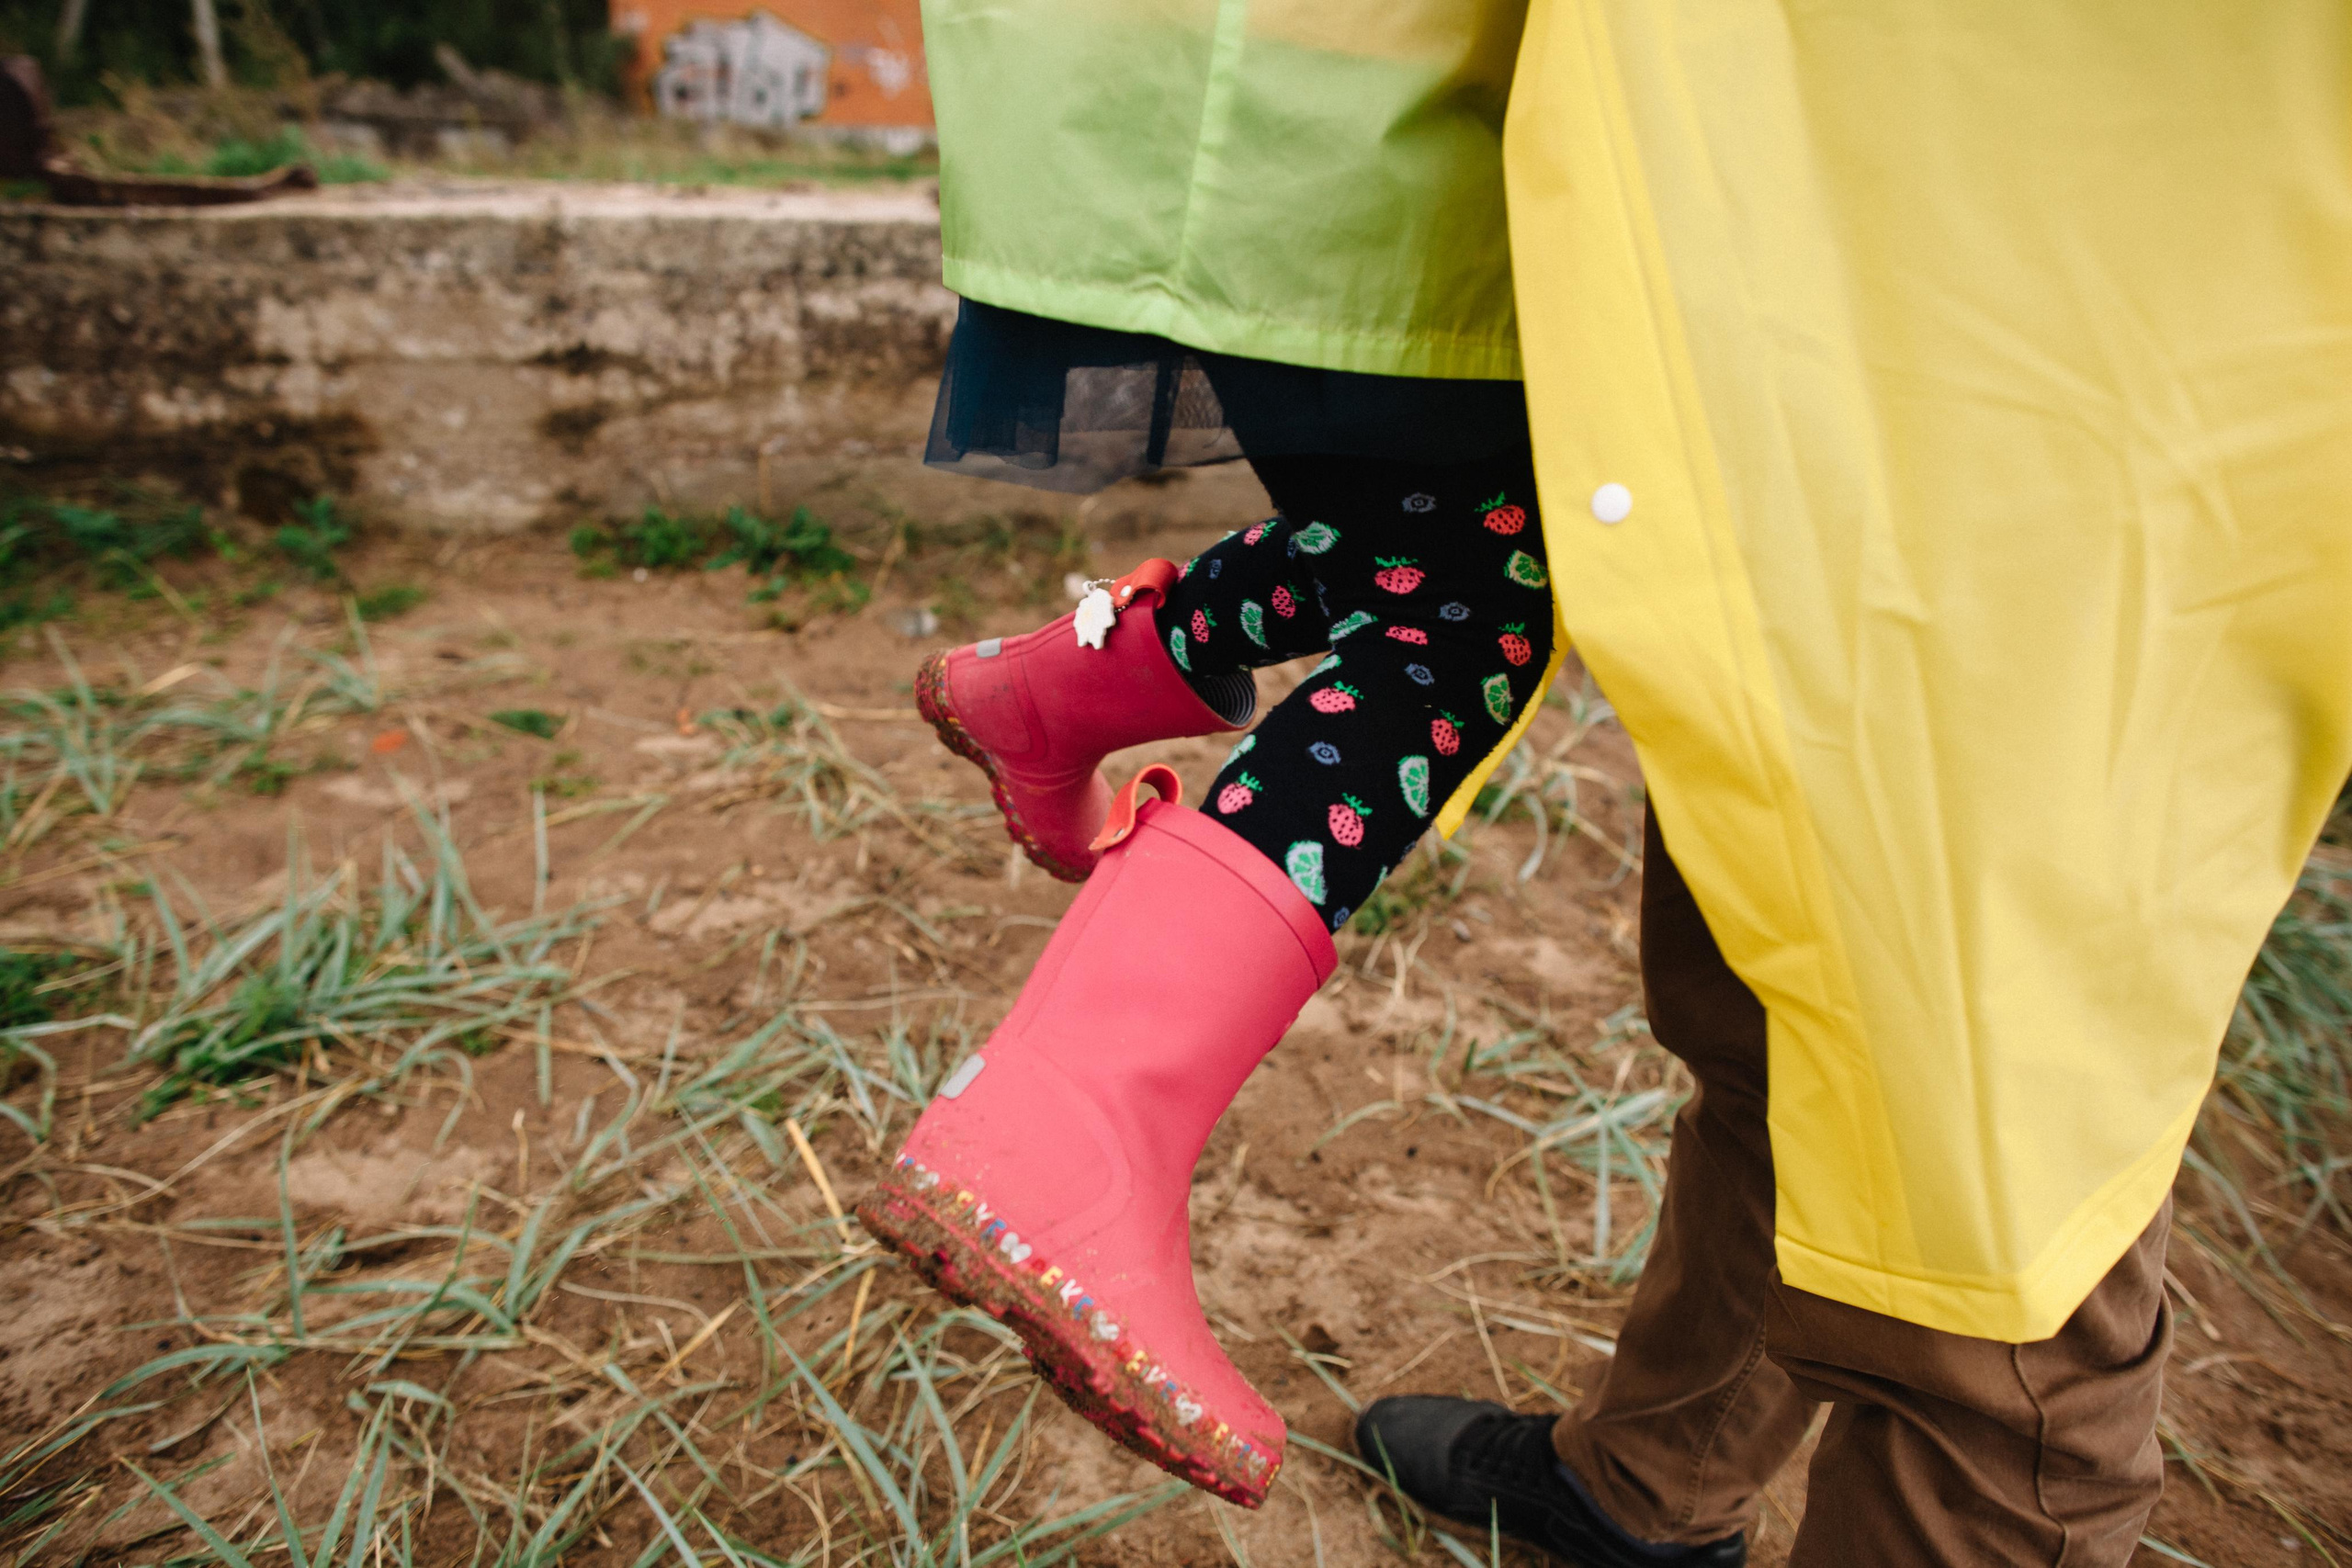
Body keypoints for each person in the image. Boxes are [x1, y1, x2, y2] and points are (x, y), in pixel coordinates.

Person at [1352, 3, 2352, 1565]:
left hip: (2123, 413)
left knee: (2003, 1245)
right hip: (1802, 321)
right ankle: (1653, 1486)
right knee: (1766, 994)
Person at [854, 0, 1547, 1507]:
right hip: (1359, 108)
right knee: (1482, 596)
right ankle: (1069, 1120)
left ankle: (1044, 700)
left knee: (1435, 543)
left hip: (1269, 102)